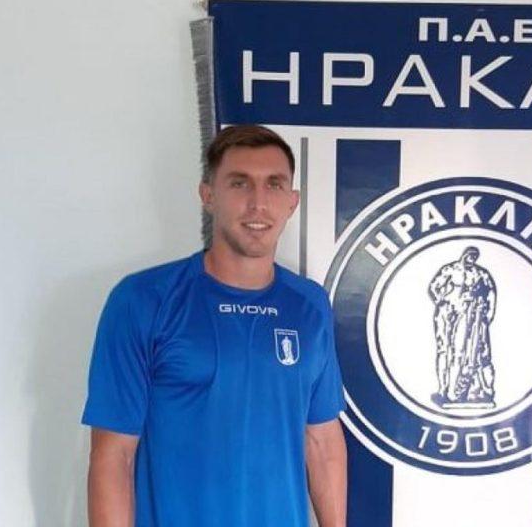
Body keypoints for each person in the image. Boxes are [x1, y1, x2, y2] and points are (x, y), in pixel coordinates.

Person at [82, 125, 347, 527]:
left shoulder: (309, 305)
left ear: (292, 202)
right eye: (239, 184)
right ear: (208, 196)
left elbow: (322, 440)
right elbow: (113, 456)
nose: (258, 203)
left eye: (274, 185)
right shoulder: (143, 300)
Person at [428, 246, 497, 407]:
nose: (472, 259)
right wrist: (442, 301)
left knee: (470, 352)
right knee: (444, 351)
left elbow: (491, 292)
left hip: (470, 315)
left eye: (474, 257)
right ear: (464, 255)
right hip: (447, 313)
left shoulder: (481, 274)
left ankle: (469, 391)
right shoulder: (450, 270)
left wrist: (489, 313)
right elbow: (433, 287)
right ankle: (443, 389)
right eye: (470, 256)